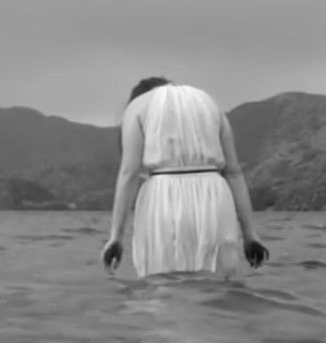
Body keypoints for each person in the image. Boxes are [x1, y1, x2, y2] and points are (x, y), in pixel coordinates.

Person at [101, 77, 268, 278]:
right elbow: (233, 173)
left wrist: (116, 237)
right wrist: (251, 235)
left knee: (162, 282)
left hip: (162, 196)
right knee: (216, 281)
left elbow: (129, 173)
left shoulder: (138, 106)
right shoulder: (209, 102)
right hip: (214, 196)